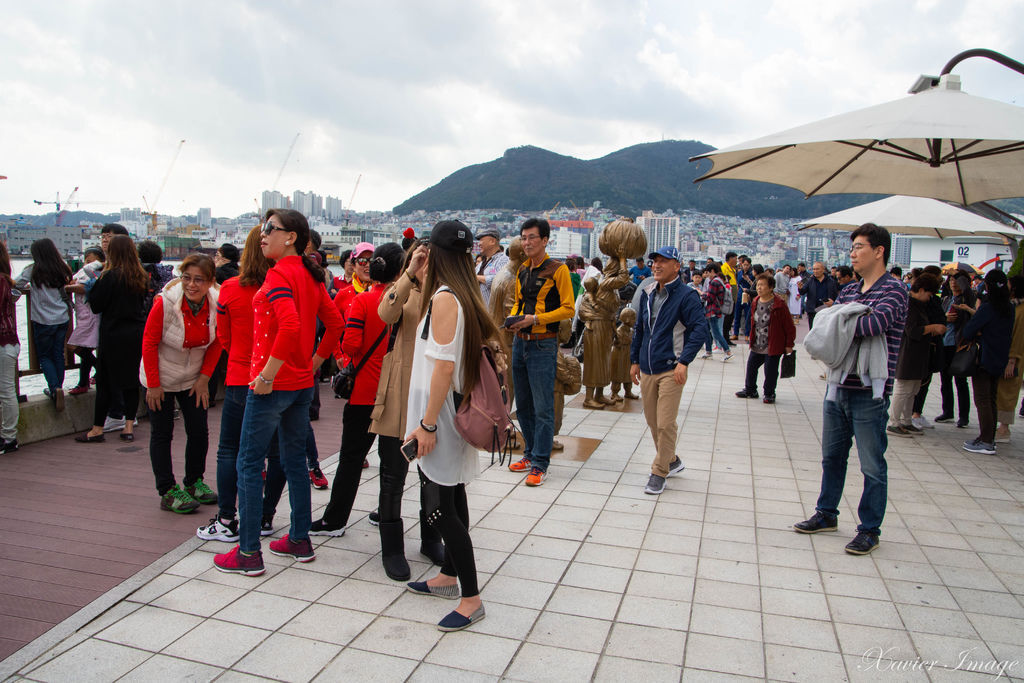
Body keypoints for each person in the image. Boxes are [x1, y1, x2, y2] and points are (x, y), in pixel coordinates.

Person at [213, 209, 343, 576]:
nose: (261, 234)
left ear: (291, 238)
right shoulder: (310, 275)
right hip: (300, 384)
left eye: (270, 229)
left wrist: (268, 375)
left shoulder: (279, 275)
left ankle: (248, 552)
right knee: (293, 462)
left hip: (272, 386)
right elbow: (333, 326)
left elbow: (289, 324)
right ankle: (299, 539)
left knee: (249, 464)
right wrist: (312, 363)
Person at [402, 219, 505, 632]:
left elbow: (443, 366)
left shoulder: (446, 299)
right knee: (451, 496)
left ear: (437, 255)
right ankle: (448, 573)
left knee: (441, 509)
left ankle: (471, 599)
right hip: (445, 412)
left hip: (439, 417)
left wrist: (426, 425)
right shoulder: (463, 294)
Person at [794, 223, 907, 556]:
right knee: (832, 457)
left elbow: (875, 324)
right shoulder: (849, 292)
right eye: (853, 247)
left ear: (878, 251)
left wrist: (840, 321)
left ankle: (869, 528)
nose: (853, 253)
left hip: (870, 391)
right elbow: (825, 329)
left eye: (859, 246)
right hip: (838, 384)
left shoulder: (895, 290)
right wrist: (842, 320)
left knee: (872, 464)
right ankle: (826, 512)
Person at [310, 244, 409, 577]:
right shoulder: (409, 303)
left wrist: (346, 356)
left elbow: (350, 345)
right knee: (392, 467)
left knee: (352, 459)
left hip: (364, 395)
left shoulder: (362, 301)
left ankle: (335, 519)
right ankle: (386, 516)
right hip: (396, 397)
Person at [198, 226, 287, 542]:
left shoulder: (230, 289)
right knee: (276, 453)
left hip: (239, 377)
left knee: (230, 449)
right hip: (279, 378)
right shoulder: (285, 288)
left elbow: (222, 336)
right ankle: (265, 516)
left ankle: (226, 518)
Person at [369, 239, 446, 567]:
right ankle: (392, 548)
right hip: (400, 389)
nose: (426, 262)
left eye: (431, 258)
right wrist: (410, 273)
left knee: (433, 475)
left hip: (433, 393)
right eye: (421, 256)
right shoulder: (404, 288)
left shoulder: (447, 293)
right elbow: (386, 313)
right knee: (392, 473)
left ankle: (431, 539)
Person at [140, 254, 222, 512]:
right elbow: (149, 343)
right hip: (160, 375)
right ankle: (167, 489)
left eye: (199, 280)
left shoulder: (217, 305)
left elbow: (218, 342)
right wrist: (154, 384)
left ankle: (194, 480)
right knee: (162, 433)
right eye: (187, 278)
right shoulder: (164, 303)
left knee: (199, 430)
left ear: (210, 282)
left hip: (193, 377)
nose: (191, 285)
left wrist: (204, 378)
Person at [630, 246, 707, 495]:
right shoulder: (648, 292)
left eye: (664, 261)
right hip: (648, 367)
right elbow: (640, 329)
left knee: (665, 423)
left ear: (677, 266)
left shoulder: (687, 296)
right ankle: (672, 460)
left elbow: (699, 330)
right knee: (653, 422)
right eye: (655, 261)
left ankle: (659, 471)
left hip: (671, 368)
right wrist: (634, 360)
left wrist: (684, 361)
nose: (657, 266)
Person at [506, 218, 576, 487]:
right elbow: (518, 303)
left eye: (532, 237)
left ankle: (540, 462)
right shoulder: (523, 269)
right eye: (523, 237)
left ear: (545, 240)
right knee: (522, 404)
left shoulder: (558, 270)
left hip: (543, 344)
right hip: (520, 342)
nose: (526, 242)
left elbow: (569, 309)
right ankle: (529, 453)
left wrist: (535, 319)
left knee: (543, 407)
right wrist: (512, 319)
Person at [76, 235, 148, 443]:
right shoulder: (140, 276)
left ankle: (97, 429)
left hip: (112, 332)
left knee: (105, 381)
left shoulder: (109, 276)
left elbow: (97, 304)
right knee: (131, 381)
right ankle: (128, 426)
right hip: (134, 332)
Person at [958, 269, 1013, 455]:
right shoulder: (1009, 308)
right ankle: (988, 438)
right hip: (1000, 358)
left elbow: (968, 331)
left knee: (982, 400)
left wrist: (980, 330)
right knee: (991, 399)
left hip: (983, 359)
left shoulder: (988, 308)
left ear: (987, 286)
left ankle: (986, 440)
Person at [16, 239, 72, 410]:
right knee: (58, 354)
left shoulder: (33, 270)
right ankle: (59, 388)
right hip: (62, 317)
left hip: (43, 320)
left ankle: (54, 388)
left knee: (45, 356)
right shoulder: (61, 268)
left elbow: (16, 283)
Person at [886, 273, 945, 437]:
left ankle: (906, 420)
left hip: (918, 353)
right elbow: (911, 330)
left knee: (913, 389)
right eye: (929, 294)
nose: (929, 298)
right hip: (908, 352)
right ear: (921, 290)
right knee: (903, 388)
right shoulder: (909, 304)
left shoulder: (919, 305)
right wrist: (933, 328)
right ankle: (894, 422)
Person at [735, 273, 795, 403]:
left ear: (771, 287)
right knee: (751, 366)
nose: (759, 288)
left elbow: (789, 325)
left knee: (770, 370)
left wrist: (789, 343)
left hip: (773, 343)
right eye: (758, 285)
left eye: (762, 285)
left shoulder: (779, 304)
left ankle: (769, 393)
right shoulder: (756, 301)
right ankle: (750, 389)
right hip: (757, 342)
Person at [935, 274, 975, 428]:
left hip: (959, 344)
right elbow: (939, 318)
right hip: (945, 343)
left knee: (960, 380)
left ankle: (963, 416)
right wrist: (945, 318)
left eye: (957, 281)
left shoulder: (968, 300)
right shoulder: (946, 299)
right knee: (945, 379)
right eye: (951, 280)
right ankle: (947, 411)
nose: (953, 283)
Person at [65, 247, 105, 395]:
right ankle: (83, 383)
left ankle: (99, 370)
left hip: (90, 316)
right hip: (83, 315)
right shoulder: (85, 272)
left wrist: (67, 288)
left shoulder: (96, 273)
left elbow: (84, 288)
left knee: (73, 346)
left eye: (92, 260)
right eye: (86, 260)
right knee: (85, 349)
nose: (88, 263)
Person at [994, 275, 1024, 443]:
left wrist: (1012, 360)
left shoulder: (1021, 310)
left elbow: (1019, 338)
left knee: (1008, 391)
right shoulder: (1011, 306)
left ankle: (1004, 429)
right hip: (1004, 355)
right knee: (1001, 390)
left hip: (1014, 358)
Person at [0, 241, 21, 453]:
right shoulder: (7, 281)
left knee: (6, 392)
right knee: (6, 391)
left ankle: (9, 437)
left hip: (3, 343)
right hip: (8, 341)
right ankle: (8, 436)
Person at [702, 264, 733, 361]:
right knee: (707, 330)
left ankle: (727, 351)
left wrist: (701, 293)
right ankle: (708, 351)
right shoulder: (720, 280)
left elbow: (710, 297)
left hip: (713, 310)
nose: (707, 275)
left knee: (716, 332)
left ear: (712, 271)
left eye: (707, 272)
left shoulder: (714, 282)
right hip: (714, 310)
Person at [474, 227, 508, 306]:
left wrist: (475, 277)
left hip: (493, 314)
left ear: (492, 241)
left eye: (481, 240)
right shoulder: (480, 264)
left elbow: (500, 281)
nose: (479, 244)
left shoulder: (503, 260)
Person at [801, 261, 838, 329]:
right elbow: (802, 292)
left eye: (817, 269)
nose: (815, 271)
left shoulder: (831, 281)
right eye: (814, 269)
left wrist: (833, 303)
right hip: (813, 310)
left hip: (826, 310)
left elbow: (836, 296)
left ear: (823, 269)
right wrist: (800, 288)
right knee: (813, 331)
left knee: (825, 331)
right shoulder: (810, 280)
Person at [721, 251, 738, 339]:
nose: (736, 261)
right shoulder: (724, 268)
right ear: (730, 258)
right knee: (727, 318)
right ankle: (725, 337)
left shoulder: (733, 269)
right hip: (728, 297)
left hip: (733, 297)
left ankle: (727, 337)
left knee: (731, 317)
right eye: (735, 259)